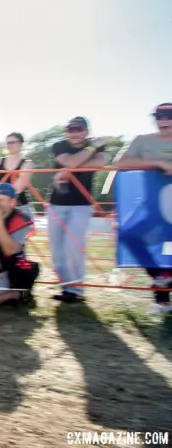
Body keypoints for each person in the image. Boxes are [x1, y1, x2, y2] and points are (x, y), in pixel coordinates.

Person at [116, 102, 172, 314]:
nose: (163, 120)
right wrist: (158, 162)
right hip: (153, 207)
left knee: (169, 249)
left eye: (169, 115)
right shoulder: (142, 140)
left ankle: (162, 299)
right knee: (128, 235)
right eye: (159, 116)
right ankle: (161, 281)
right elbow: (121, 163)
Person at [47, 116, 109, 303]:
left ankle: (76, 290)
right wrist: (90, 150)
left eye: (78, 129)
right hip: (57, 204)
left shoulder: (100, 148)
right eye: (70, 130)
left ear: (86, 131)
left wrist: (74, 162)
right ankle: (66, 287)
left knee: (73, 247)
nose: (74, 133)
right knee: (57, 250)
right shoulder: (59, 145)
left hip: (81, 204)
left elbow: (101, 162)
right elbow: (70, 162)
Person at [0, 132, 34, 215]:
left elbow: (17, 189)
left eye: (13, 142)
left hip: (20, 206)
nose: (9, 145)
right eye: (7, 143)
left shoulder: (27, 163)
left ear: (21, 144)